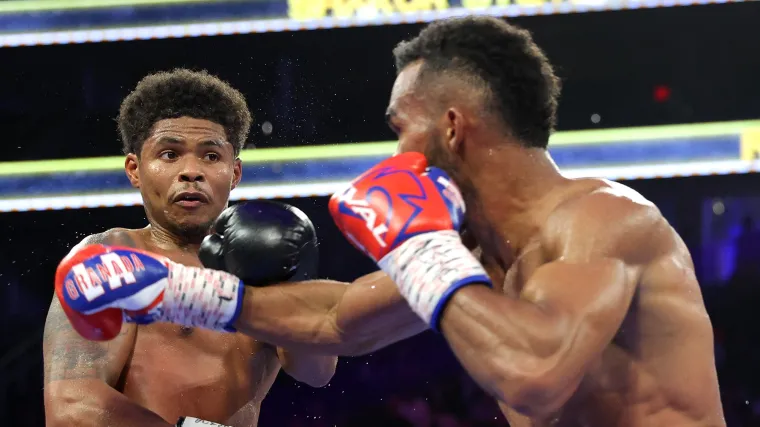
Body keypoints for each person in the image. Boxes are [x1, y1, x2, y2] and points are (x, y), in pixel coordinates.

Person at [56, 18, 725, 427]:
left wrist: (422, 245)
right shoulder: (474, 249)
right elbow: (334, 320)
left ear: (453, 127)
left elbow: (536, 373)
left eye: (403, 129)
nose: (396, 154)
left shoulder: (606, 220)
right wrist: (174, 289)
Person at [42, 69, 337, 427]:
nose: (191, 171)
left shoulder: (261, 266)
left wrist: (292, 280)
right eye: (170, 154)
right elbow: (72, 407)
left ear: (235, 172)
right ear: (135, 169)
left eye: (211, 156)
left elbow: (317, 371)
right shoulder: (111, 258)